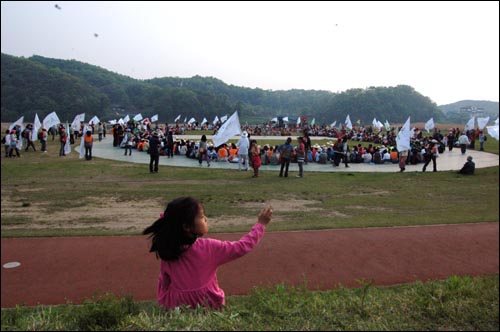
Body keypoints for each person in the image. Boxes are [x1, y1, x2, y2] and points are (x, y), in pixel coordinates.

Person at [143, 197, 273, 310]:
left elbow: (164, 282)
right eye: (201, 216)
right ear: (187, 227)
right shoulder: (209, 248)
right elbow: (241, 247)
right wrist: (260, 225)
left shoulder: (168, 250)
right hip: (207, 305)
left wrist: (164, 303)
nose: (205, 219)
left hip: (178, 307)